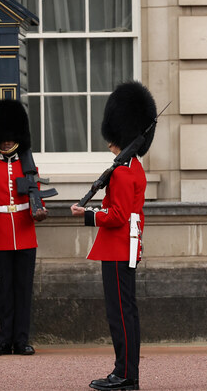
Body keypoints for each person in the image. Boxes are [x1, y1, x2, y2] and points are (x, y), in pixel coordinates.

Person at [71, 81, 157, 391]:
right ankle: (126, 372)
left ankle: (125, 375)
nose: (109, 143)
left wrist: (89, 214)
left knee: (119, 315)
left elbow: (118, 215)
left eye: (112, 138)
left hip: (118, 247)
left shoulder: (121, 171)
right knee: (126, 313)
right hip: (127, 246)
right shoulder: (134, 167)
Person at [0, 99, 47, 356]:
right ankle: (3, 339)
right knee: (5, 289)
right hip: (2, 237)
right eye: (2, 138)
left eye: (10, 137)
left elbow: (37, 200)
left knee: (23, 289)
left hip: (26, 235)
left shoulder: (28, 167)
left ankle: (22, 340)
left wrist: (39, 211)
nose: (6, 142)